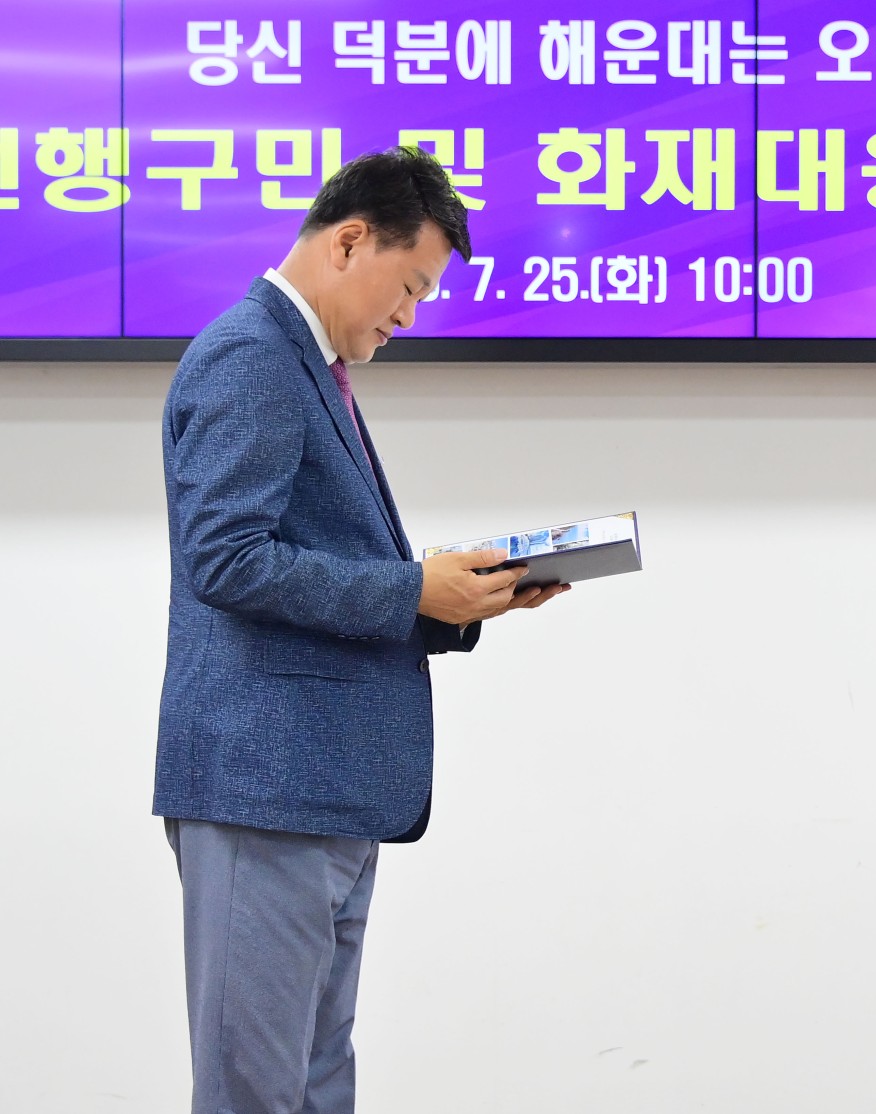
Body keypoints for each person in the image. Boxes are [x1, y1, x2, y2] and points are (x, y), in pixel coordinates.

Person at [154, 145, 568, 1114]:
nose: (411, 315)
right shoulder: (254, 356)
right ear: (349, 242)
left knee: (314, 1082)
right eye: (411, 285)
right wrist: (411, 589)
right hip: (266, 790)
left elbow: (305, 560)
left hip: (319, 794)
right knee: (256, 1091)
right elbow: (229, 560)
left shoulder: (306, 363)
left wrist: (453, 598)